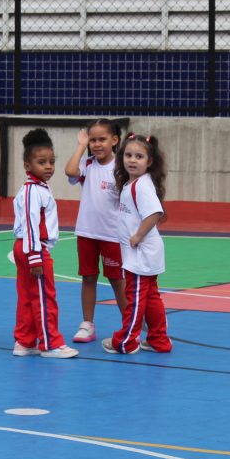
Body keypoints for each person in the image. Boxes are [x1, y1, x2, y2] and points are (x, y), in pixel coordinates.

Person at [102, 133, 173, 355]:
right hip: (142, 255)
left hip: (141, 255)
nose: (132, 160)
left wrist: (138, 236)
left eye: (139, 156)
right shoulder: (133, 183)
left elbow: (154, 213)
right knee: (151, 298)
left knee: (135, 300)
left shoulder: (140, 186)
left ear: (149, 161)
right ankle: (159, 340)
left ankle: (126, 341)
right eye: (128, 155)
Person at [12, 129, 79, 359]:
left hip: (28, 247)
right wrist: (35, 255)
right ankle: (50, 343)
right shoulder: (32, 191)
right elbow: (30, 224)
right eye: (42, 162)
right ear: (27, 166)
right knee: (44, 297)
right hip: (34, 248)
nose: (48, 167)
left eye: (51, 162)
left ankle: (24, 341)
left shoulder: (39, 188)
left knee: (28, 296)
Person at [64, 119, 127, 343]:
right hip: (87, 233)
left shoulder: (121, 168)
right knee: (88, 278)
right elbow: (69, 170)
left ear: (114, 140)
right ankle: (87, 324)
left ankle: (129, 325)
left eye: (102, 139)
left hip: (112, 235)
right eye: (93, 140)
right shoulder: (87, 164)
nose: (97, 144)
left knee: (117, 281)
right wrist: (81, 146)